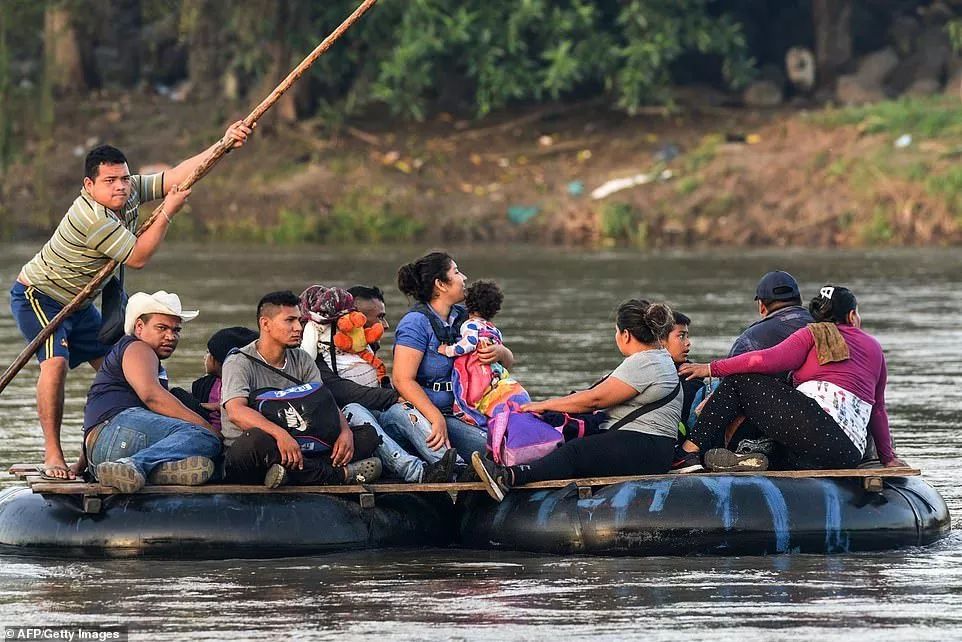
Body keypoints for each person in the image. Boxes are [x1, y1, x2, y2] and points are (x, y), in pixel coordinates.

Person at [9, 121, 253, 480]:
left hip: (80, 303)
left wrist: (223, 143)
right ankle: (53, 453)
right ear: (89, 185)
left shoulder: (129, 191)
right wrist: (168, 212)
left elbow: (176, 176)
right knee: (55, 364)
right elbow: (137, 257)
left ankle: (96, 455)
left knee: (122, 369)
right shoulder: (91, 217)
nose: (120, 187)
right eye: (110, 182)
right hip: (41, 294)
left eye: (124, 179)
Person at [677, 286, 907, 472]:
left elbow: (763, 361)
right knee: (779, 435)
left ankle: (687, 454)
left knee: (739, 381)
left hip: (820, 431)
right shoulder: (874, 347)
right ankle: (753, 457)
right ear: (852, 315)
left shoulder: (813, 333)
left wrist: (710, 368)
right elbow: (878, 410)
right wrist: (888, 458)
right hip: (847, 453)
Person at [471, 300, 683, 502]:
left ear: (625, 334)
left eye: (616, 331)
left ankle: (509, 478)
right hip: (649, 446)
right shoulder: (657, 358)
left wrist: (544, 405)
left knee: (575, 452)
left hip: (646, 445)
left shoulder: (645, 362)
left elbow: (594, 400)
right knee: (571, 442)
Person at [220, 291, 382, 488]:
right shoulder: (239, 362)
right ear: (265, 324)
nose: (298, 328)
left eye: (299, 320)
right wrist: (281, 435)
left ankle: (289, 473)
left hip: (300, 443)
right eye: (290, 321)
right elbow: (237, 412)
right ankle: (336, 475)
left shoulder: (302, 358)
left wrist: (345, 432)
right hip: (256, 449)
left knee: (367, 435)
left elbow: (325, 402)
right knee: (258, 441)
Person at [298, 285, 457, 483]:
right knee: (356, 408)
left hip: (379, 415)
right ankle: (417, 472)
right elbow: (342, 391)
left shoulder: (365, 347)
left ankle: (454, 466)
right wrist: (393, 396)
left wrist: (399, 401)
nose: (386, 325)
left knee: (402, 411)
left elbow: (381, 382)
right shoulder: (320, 356)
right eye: (379, 317)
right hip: (354, 428)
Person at [380, 252, 514, 468]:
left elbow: (504, 366)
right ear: (441, 284)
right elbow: (402, 380)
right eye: (457, 272)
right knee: (492, 448)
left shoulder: (465, 318)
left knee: (509, 442)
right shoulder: (415, 323)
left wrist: (501, 352)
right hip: (428, 414)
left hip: (465, 412)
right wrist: (436, 418)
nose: (464, 278)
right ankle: (460, 473)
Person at [84, 291, 221, 493]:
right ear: (139, 327)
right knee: (204, 438)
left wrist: (82, 465)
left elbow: (95, 414)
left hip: (99, 453)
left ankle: (153, 470)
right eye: (162, 328)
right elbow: (152, 396)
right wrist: (207, 428)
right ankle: (133, 465)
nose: (171, 336)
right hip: (116, 432)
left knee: (204, 459)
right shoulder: (139, 348)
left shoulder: (127, 351)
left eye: (176, 330)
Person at [189, 326, 259, 436]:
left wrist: (218, 407)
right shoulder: (203, 385)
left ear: (218, 359)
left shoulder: (247, 382)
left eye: (208, 352)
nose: (204, 357)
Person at [729, 270, 814, 358]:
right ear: (800, 299)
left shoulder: (749, 339)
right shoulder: (822, 324)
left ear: (762, 306)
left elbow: (727, 368)